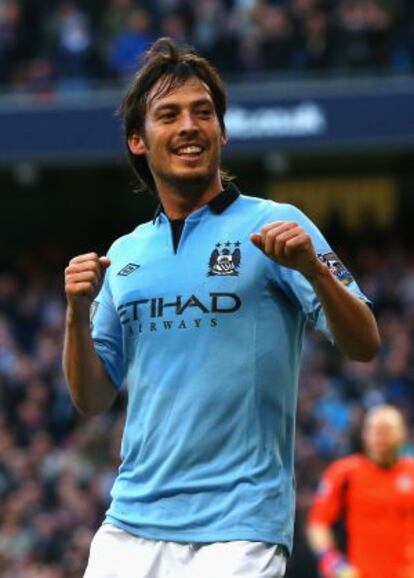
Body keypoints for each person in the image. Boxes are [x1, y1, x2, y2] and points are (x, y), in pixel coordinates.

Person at [63, 37, 380, 578]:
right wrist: (75, 313)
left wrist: (312, 270)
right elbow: (92, 397)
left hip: (239, 527)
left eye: (203, 112)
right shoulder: (125, 254)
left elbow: (365, 343)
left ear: (222, 132)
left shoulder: (278, 223)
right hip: (132, 523)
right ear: (138, 140)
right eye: (169, 114)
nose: (189, 125)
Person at [307, 405, 414, 578]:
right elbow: (318, 524)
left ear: (402, 434)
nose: (380, 436)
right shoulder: (344, 473)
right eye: (374, 429)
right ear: (364, 434)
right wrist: (334, 563)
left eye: (387, 430)